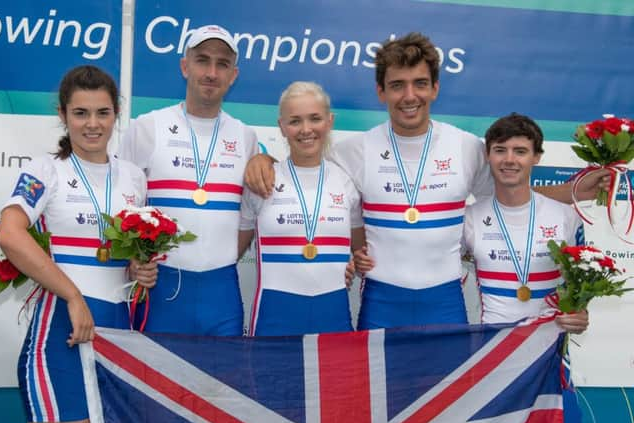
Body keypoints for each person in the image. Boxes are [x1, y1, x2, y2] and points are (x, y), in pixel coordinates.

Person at [245, 32, 607, 330]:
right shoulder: (354, 150)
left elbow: (515, 197)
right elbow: (304, 168)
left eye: (420, 83)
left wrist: (574, 191)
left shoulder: (466, 147)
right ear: (380, 92)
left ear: (435, 88)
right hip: (381, 302)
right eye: (397, 85)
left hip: (444, 301)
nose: (409, 96)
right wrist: (264, 160)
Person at [0, 65, 155, 423]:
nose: (92, 124)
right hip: (64, 325)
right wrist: (72, 295)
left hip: (119, 329)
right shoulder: (46, 170)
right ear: (62, 115)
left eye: (103, 112)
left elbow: (128, 257)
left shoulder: (133, 177)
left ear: (117, 112)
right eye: (80, 113)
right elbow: (9, 233)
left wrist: (140, 269)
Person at [117, 25, 258, 336]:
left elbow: (249, 214)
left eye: (222, 64)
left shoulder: (246, 137)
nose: (211, 72)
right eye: (202, 60)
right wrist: (133, 260)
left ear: (233, 75)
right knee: (152, 383)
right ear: (184, 66)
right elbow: (119, 206)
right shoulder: (147, 127)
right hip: (160, 285)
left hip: (222, 288)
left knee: (221, 384)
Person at [461, 113, 587, 423]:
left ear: (536, 157)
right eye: (500, 150)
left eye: (520, 151)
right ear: (488, 156)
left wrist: (580, 313)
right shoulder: (468, 219)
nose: (509, 160)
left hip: (549, 354)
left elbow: (580, 287)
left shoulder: (566, 218)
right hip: (489, 355)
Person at [238, 82, 364, 336]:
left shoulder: (347, 182)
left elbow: (364, 253)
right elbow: (232, 253)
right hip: (273, 316)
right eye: (295, 121)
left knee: (336, 377)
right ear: (282, 127)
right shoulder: (261, 181)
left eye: (314, 119)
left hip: (333, 313)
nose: (306, 129)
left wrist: (354, 262)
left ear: (329, 121)